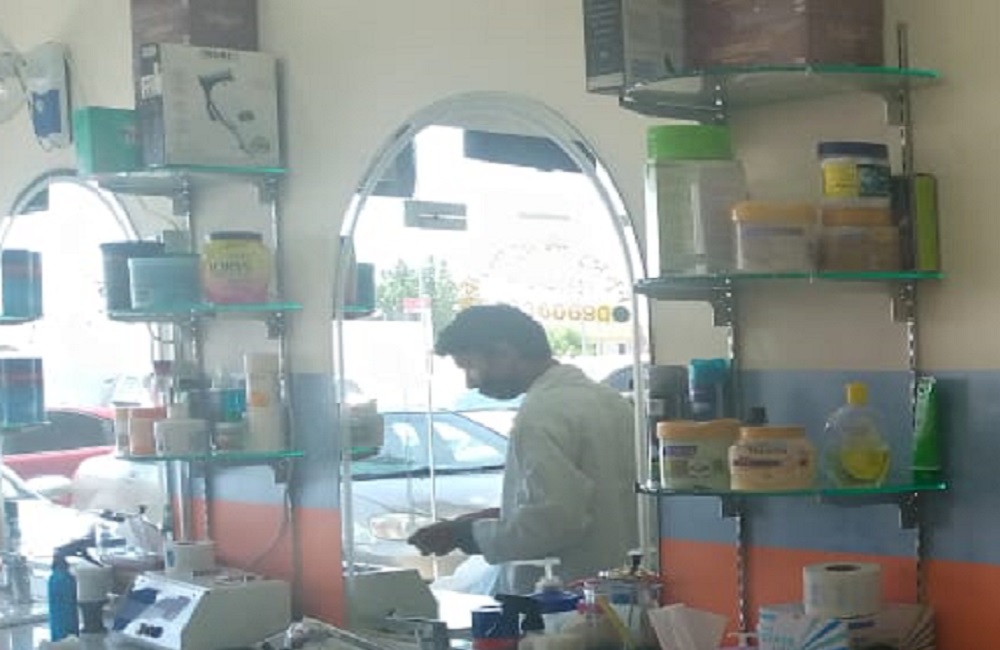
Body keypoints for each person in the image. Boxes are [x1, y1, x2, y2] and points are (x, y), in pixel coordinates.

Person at [407, 304, 638, 594]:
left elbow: (553, 523)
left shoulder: (540, 414)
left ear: (504, 353)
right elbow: (593, 497)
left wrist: (465, 536)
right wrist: (490, 518)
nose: (470, 382)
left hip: (569, 594)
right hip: (624, 586)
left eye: (470, 366)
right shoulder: (609, 400)